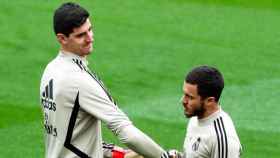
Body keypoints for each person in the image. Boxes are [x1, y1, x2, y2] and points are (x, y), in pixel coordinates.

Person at [39, 2, 178, 158]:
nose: (90, 38)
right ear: (62, 38)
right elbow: (126, 132)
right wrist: (163, 156)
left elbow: (68, 137)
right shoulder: (79, 80)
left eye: (90, 30)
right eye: (81, 35)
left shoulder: (50, 70)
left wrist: (120, 154)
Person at [181, 66, 242, 158]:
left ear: (209, 101)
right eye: (184, 94)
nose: (183, 101)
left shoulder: (221, 139)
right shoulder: (195, 120)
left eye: (190, 97)